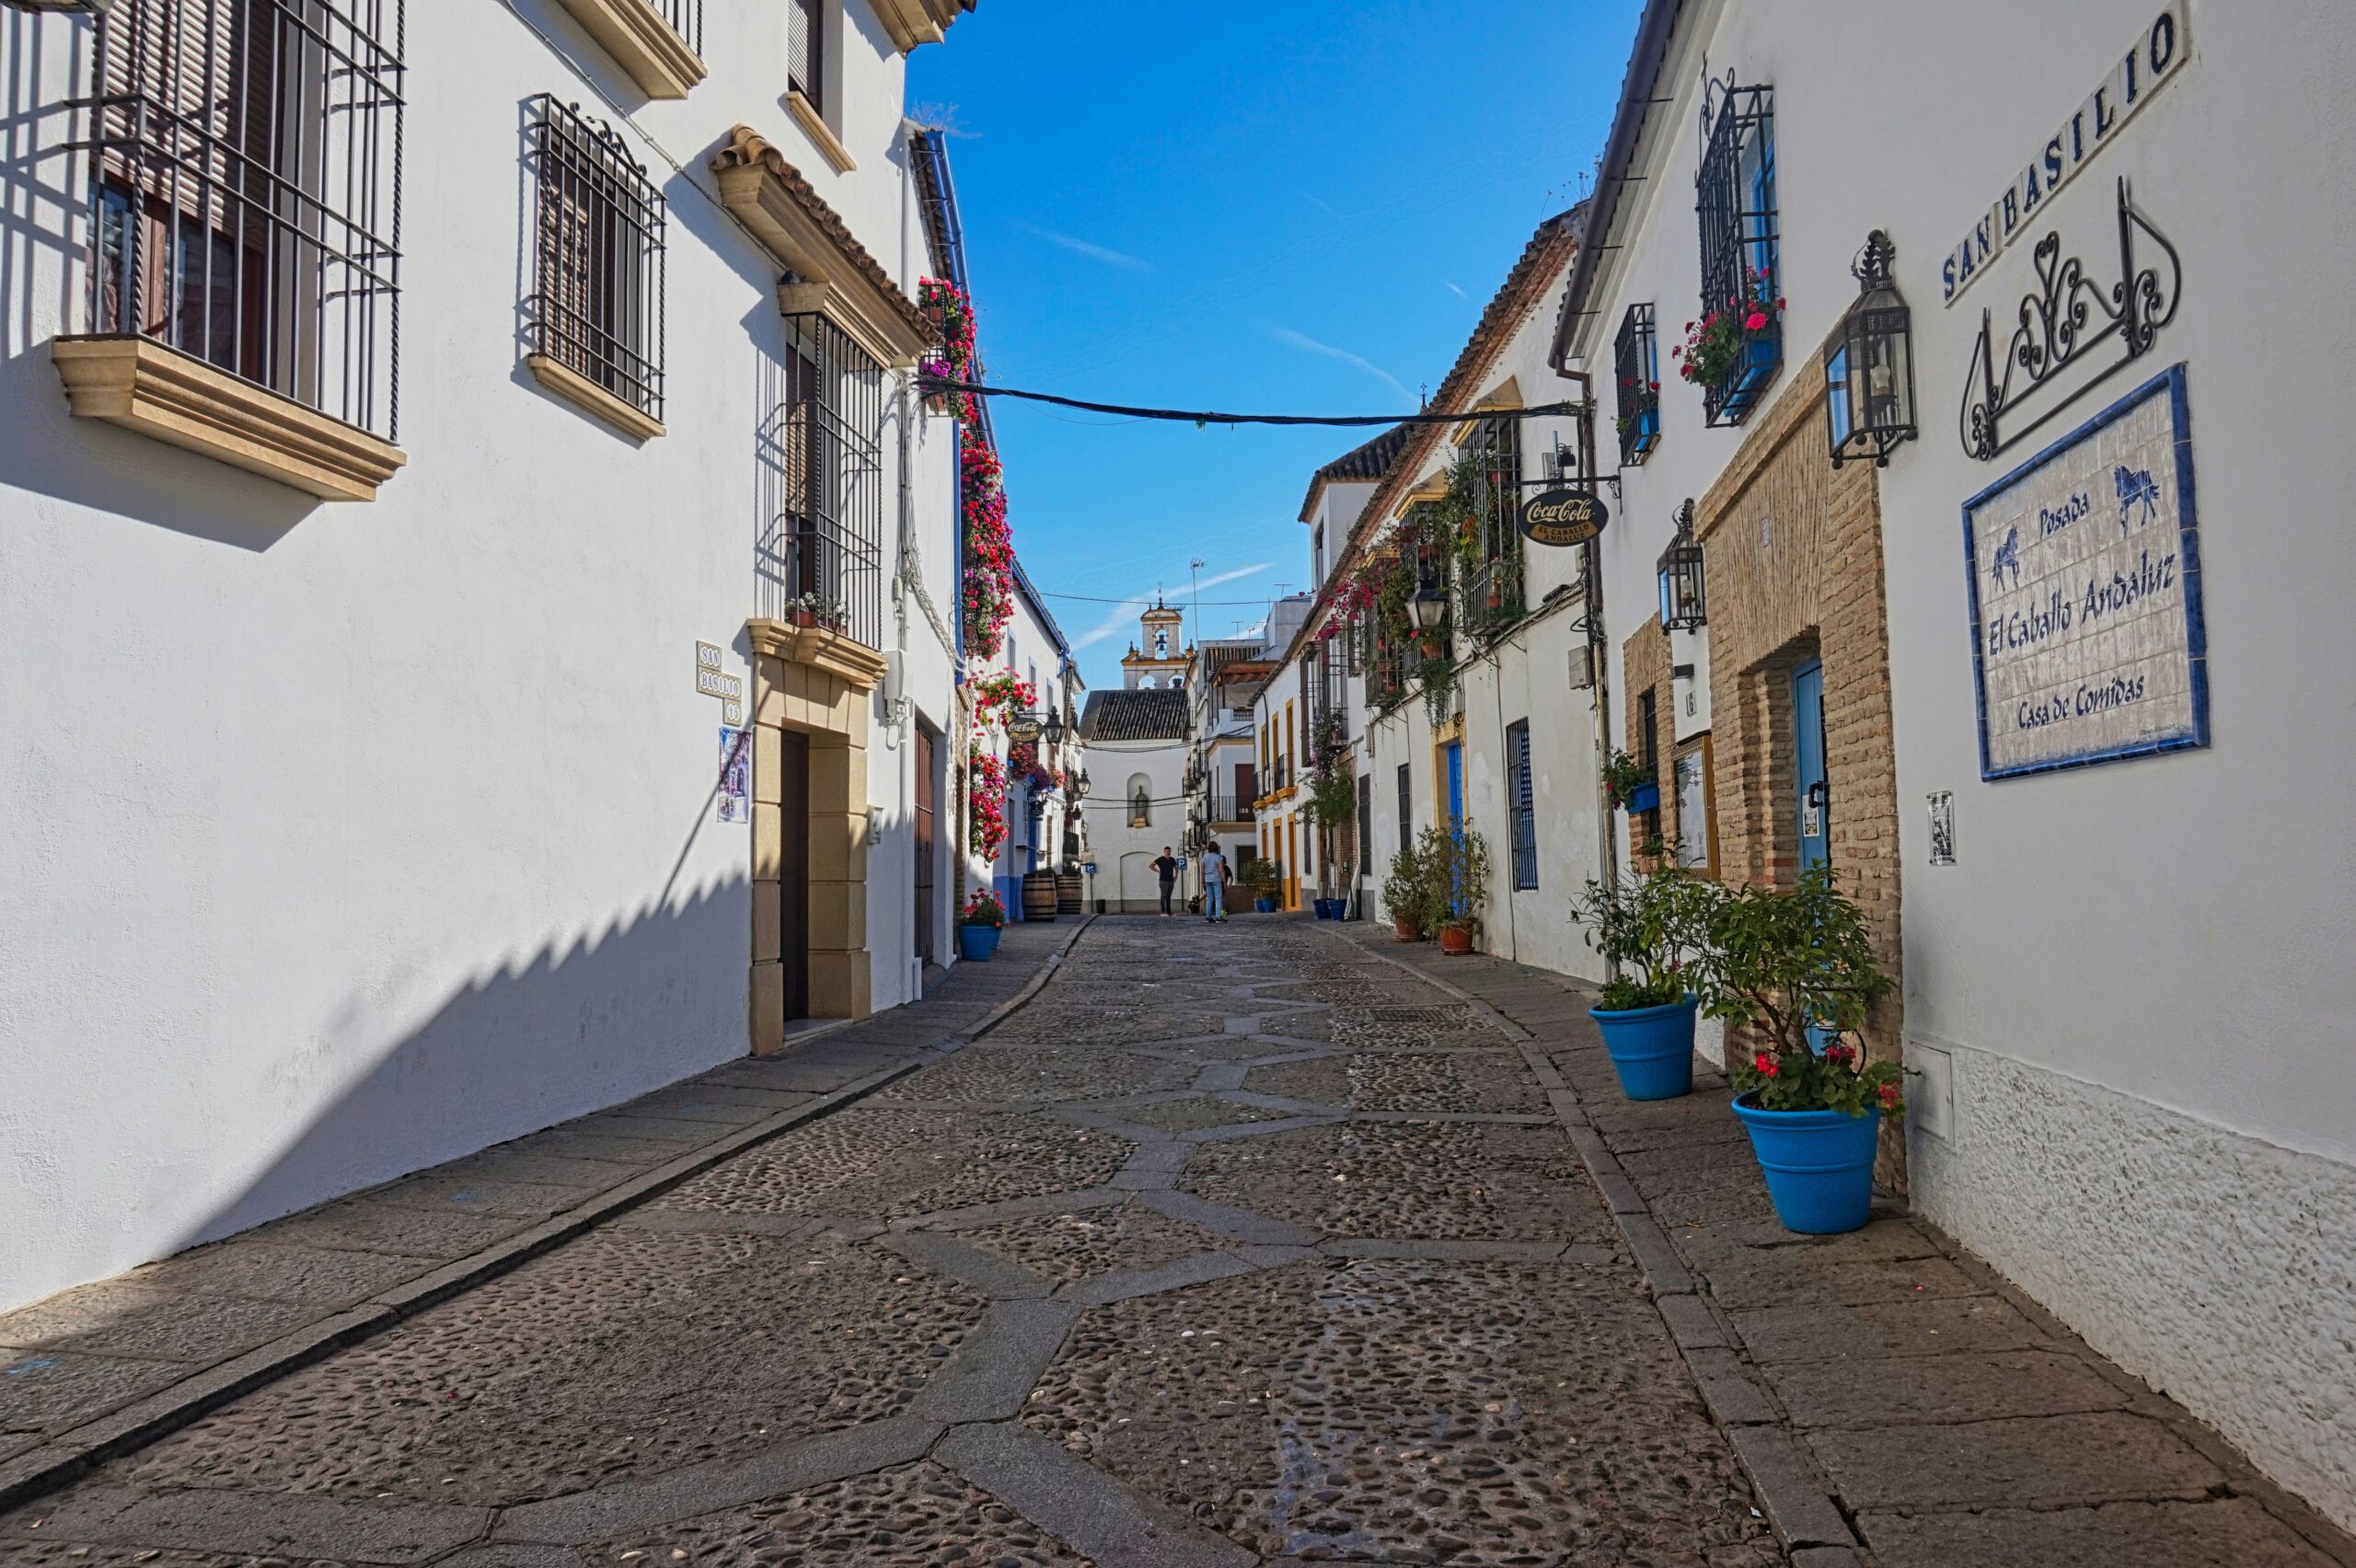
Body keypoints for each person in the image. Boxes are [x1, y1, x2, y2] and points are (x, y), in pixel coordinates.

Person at [1201, 843, 1229, 922]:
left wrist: (1202, 881)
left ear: (1208, 849)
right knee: (1218, 899)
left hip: (1207, 879)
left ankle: (1208, 917)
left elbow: (1202, 871)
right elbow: (1221, 870)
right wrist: (1224, 882)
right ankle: (1218, 917)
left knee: (1209, 898)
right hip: (1216, 879)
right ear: (1216, 848)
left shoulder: (1204, 858)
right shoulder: (1218, 857)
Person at [1151, 847, 1180, 916]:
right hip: (1163, 881)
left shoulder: (1172, 859)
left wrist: (1175, 877)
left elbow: (1176, 869)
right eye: (1167, 851)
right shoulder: (1160, 859)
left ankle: (1169, 912)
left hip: (1171, 881)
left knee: (1168, 897)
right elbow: (1151, 865)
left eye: (1169, 851)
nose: (1168, 853)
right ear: (1164, 852)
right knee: (1163, 896)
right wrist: (1158, 871)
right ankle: (1163, 912)